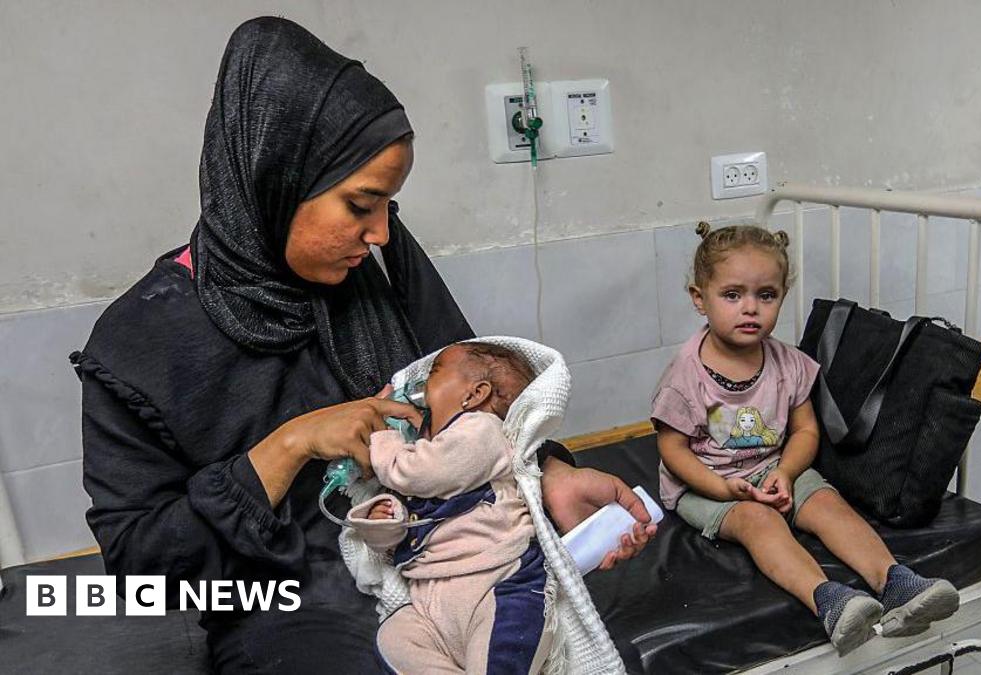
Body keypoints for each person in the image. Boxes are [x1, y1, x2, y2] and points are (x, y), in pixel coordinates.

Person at [70, 17, 654, 674]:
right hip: (288, 599)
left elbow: (475, 389)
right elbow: (141, 568)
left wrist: (546, 475)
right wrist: (289, 445)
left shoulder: (374, 267)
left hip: (447, 552)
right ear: (275, 176)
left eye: (388, 206)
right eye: (360, 204)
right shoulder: (139, 344)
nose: (379, 232)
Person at [651, 223, 959, 656]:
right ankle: (830, 601)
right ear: (700, 299)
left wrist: (786, 471)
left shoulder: (789, 364)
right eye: (733, 295)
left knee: (827, 504)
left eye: (766, 295)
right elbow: (672, 449)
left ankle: (896, 583)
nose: (751, 309)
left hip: (773, 468)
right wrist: (721, 488)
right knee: (760, 522)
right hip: (706, 482)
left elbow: (806, 430)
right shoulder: (686, 376)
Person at [349, 342, 549, 674]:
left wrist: (382, 435)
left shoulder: (481, 431)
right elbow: (402, 542)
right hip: (432, 604)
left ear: (475, 395)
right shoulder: (425, 453)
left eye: (435, 372)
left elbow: (418, 472)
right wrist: (384, 519)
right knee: (394, 638)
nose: (421, 384)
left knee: (503, 653)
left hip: (497, 587)